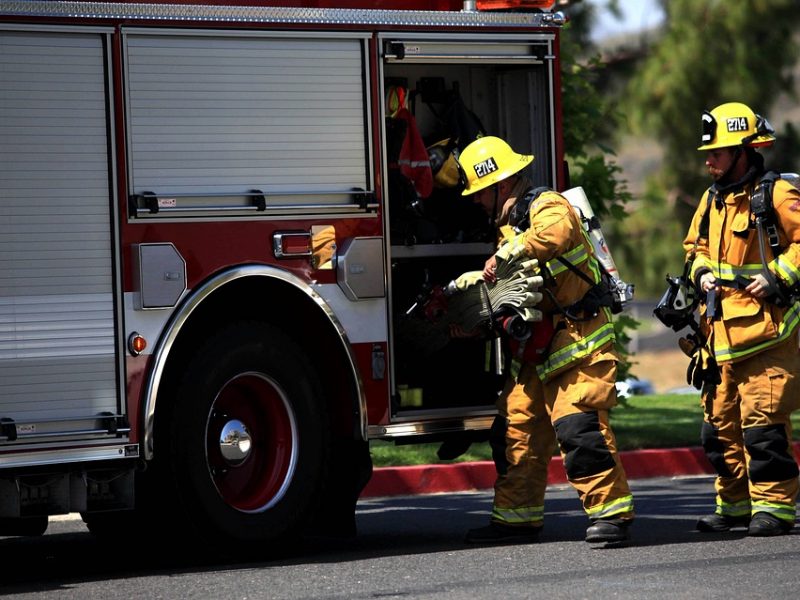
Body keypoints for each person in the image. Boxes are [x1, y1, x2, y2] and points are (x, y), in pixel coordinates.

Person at [458, 136, 634, 545]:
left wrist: (509, 252)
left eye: (479, 192)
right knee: (515, 432)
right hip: (534, 351)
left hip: (578, 342)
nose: (476, 201)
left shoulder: (546, 205)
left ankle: (612, 514)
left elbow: (556, 232)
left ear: (500, 184)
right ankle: (516, 518)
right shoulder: (509, 226)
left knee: (579, 428)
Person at [683, 102, 800, 536]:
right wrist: (701, 273)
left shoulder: (777, 195)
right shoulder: (711, 200)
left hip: (767, 337)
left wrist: (778, 275)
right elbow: (693, 247)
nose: (708, 161)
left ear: (743, 151)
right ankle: (734, 504)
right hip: (718, 337)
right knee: (718, 430)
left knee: (763, 428)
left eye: (716, 153)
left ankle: (774, 508)